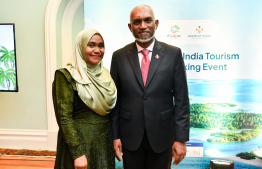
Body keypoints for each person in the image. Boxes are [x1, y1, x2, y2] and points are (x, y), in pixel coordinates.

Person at [110, 5, 190, 169]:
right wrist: (115, 136)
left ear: (156, 23)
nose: (143, 26)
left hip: (163, 137)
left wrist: (180, 139)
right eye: (137, 22)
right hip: (130, 138)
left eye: (148, 20)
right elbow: (115, 101)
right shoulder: (118, 56)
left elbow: (182, 100)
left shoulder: (173, 54)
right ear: (130, 27)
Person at [52, 29, 117, 169]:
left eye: (101, 45)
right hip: (80, 148)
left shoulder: (105, 74)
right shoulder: (65, 76)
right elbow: (64, 118)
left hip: (103, 145)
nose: (97, 50)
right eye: (91, 45)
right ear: (80, 47)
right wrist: (77, 153)